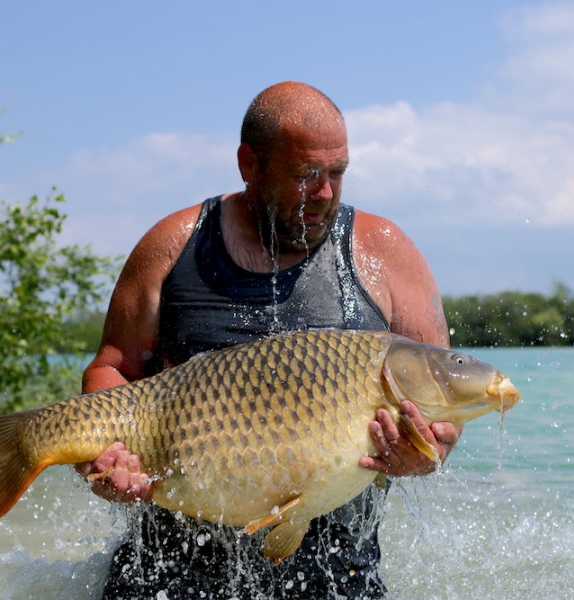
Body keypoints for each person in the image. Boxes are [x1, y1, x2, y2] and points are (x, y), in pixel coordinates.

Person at [77, 81, 461, 600]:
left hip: (335, 574)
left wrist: (430, 450)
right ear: (249, 163)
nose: (325, 193)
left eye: (337, 173)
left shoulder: (387, 253)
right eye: (305, 175)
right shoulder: (172, 246)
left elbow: (444, 401)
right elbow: (114, 368)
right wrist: (110, 459)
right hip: (172, 570)